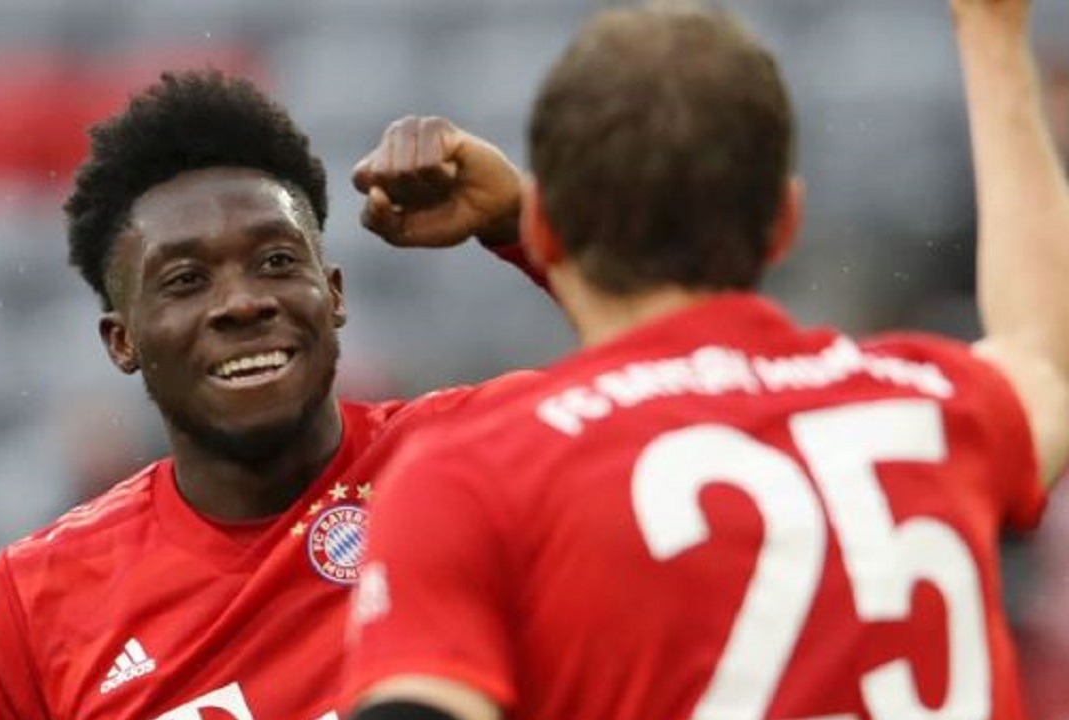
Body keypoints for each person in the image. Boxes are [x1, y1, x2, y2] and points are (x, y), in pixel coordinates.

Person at [342, 1, 1069, 719]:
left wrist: (531, 222)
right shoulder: (930, 411)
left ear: (548, 230)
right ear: (785, 223)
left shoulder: (477, 477)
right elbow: (1044, 354)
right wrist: (993, 35)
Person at [0, 70, 540, 720]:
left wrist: (523, 220)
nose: (242, 302)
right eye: (185, 279)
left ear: (333, 294)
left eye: (277, 261)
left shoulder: (475, 453)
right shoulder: (33, 599)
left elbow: (637, 386)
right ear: (122, 341)